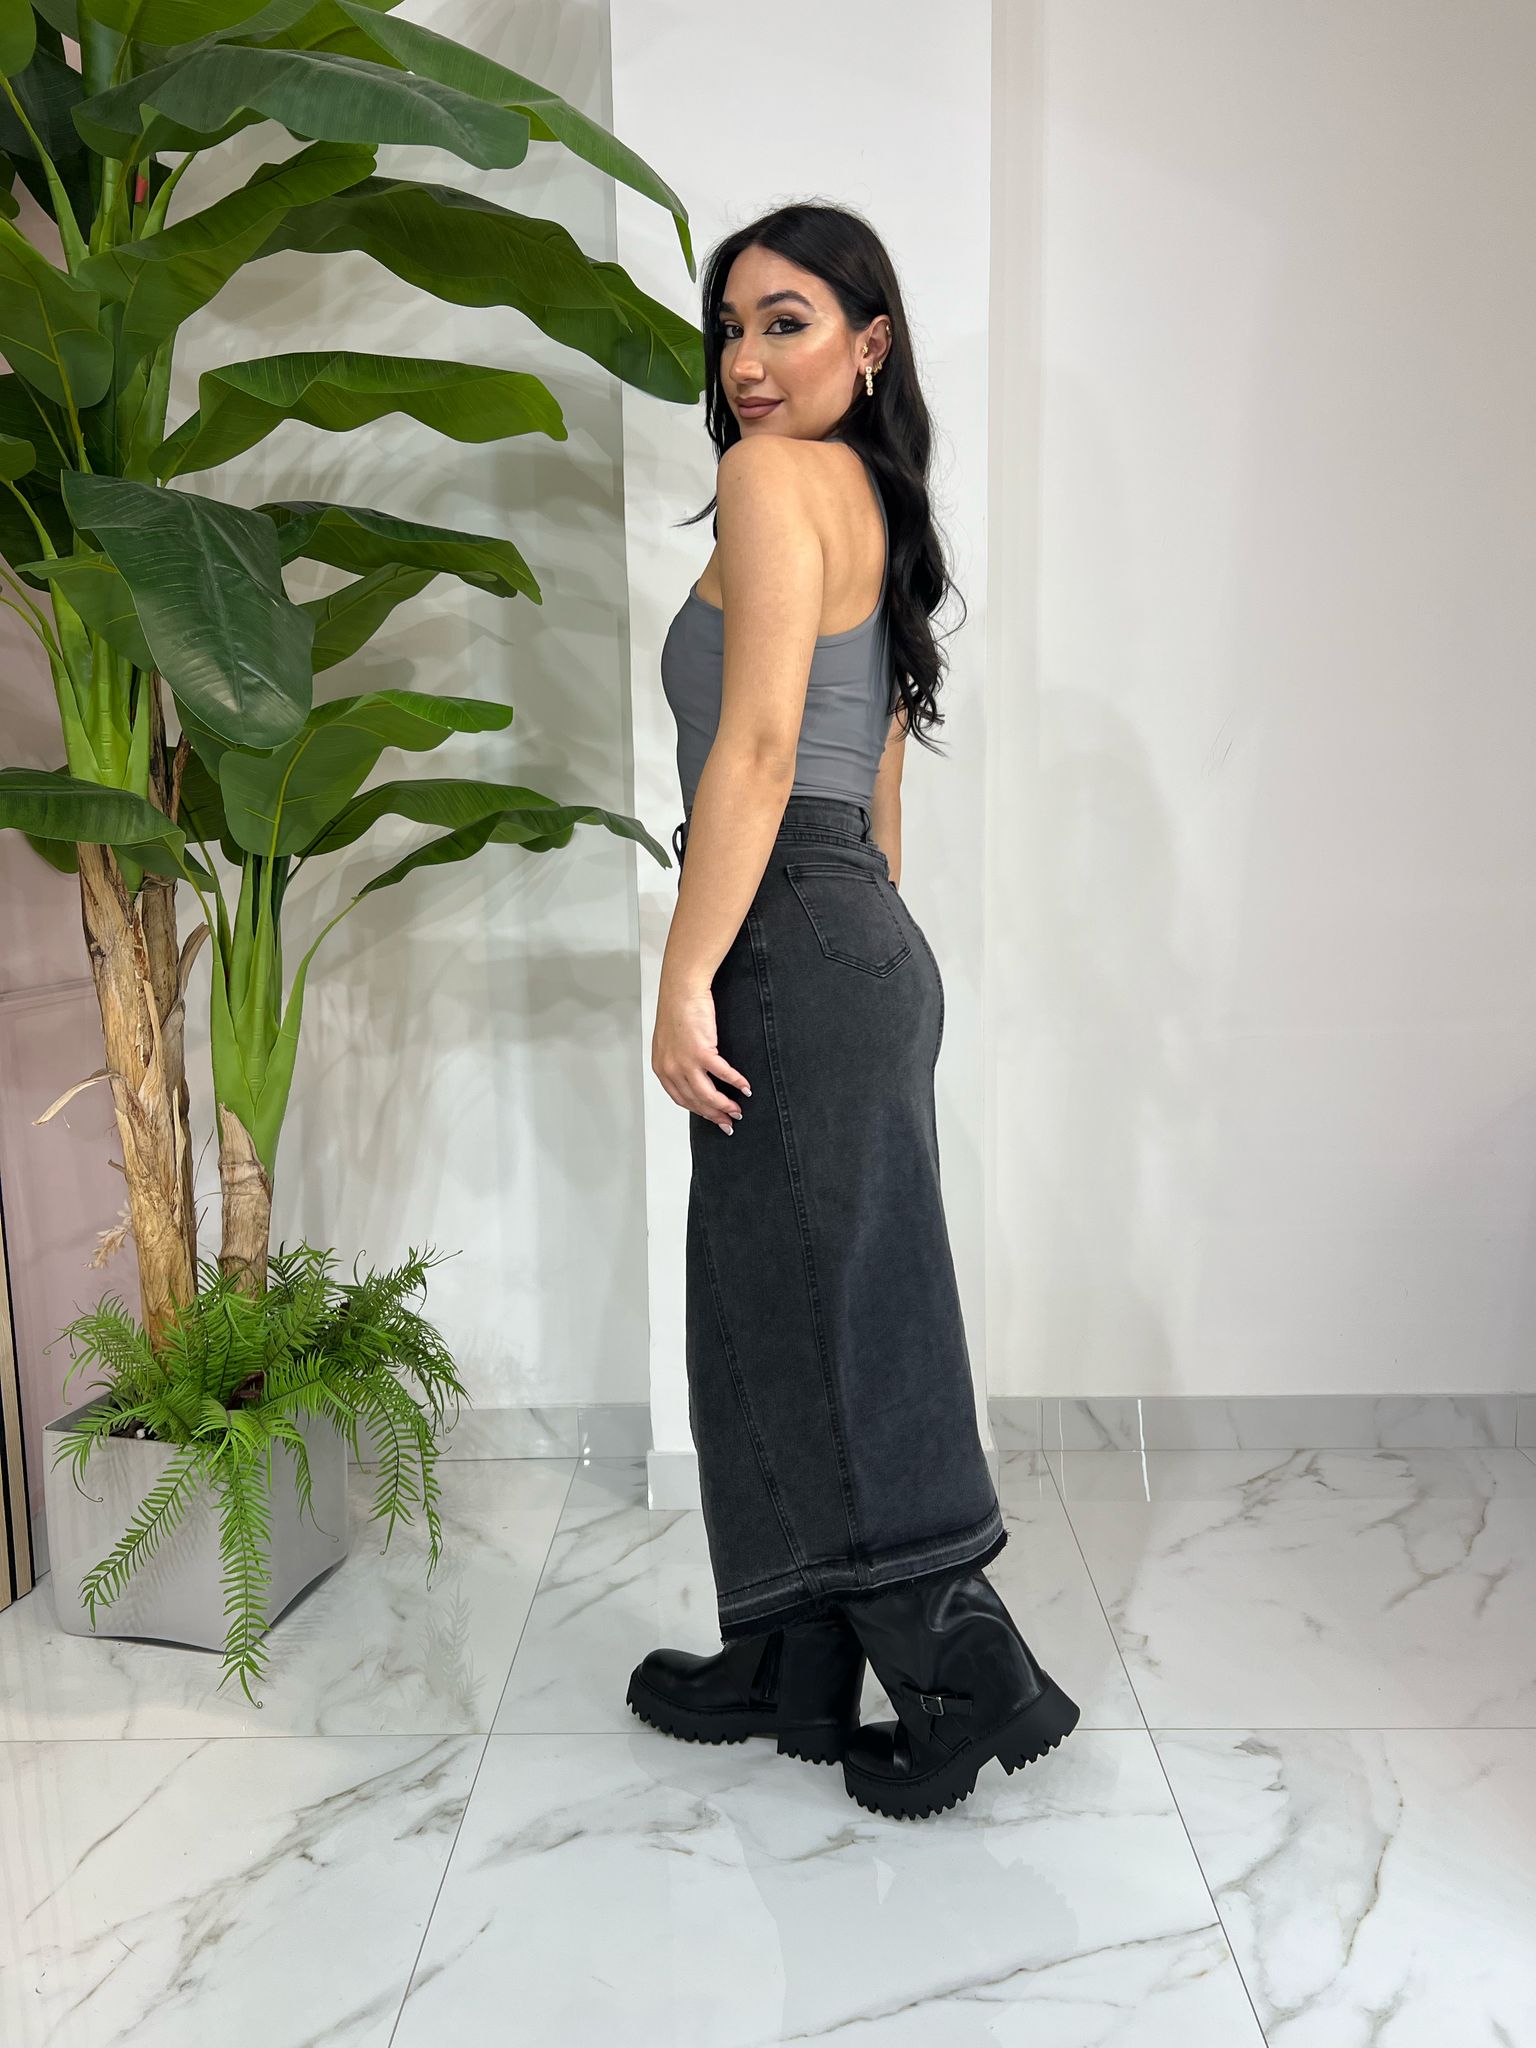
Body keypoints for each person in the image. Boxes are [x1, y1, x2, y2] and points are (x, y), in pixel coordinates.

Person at [627, 202, 1079, 1821]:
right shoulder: (879, 504)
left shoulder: (771, 481)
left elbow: (758, 754)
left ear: (869, 341)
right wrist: (843, 948)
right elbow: (877, 796)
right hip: (854, 932)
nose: (746, 363)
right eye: (730, 329)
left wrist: (688, 972)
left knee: (831, 1315)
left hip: (786, 927)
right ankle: (790, 1658)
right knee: (766, 1301)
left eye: (787, 322)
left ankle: (964, 1674)